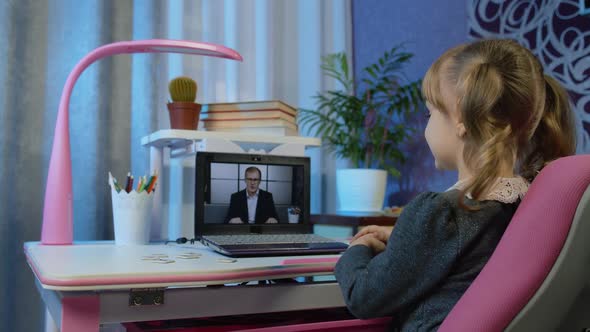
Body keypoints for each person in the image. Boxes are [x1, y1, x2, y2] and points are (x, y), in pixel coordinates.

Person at [334, 39, 576, 331]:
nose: (426, 125)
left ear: (460, 116)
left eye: (430, 113)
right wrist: (401, 236)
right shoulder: (530, 204)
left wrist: (356, 250)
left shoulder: (440, 213)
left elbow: (364, 297)